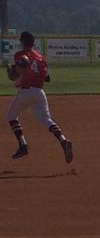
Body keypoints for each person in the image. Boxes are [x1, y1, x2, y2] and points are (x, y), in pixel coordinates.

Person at [6, 31, 73, 163]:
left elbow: (23, 63)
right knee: (47, 120)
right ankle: (63, 140)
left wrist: (15, 71)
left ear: (23, 42)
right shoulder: (40, 57)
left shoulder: (20, 54)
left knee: (11, 116)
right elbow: (47, 78)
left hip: (26, 91)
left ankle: (23, 145)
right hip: (39, 93)